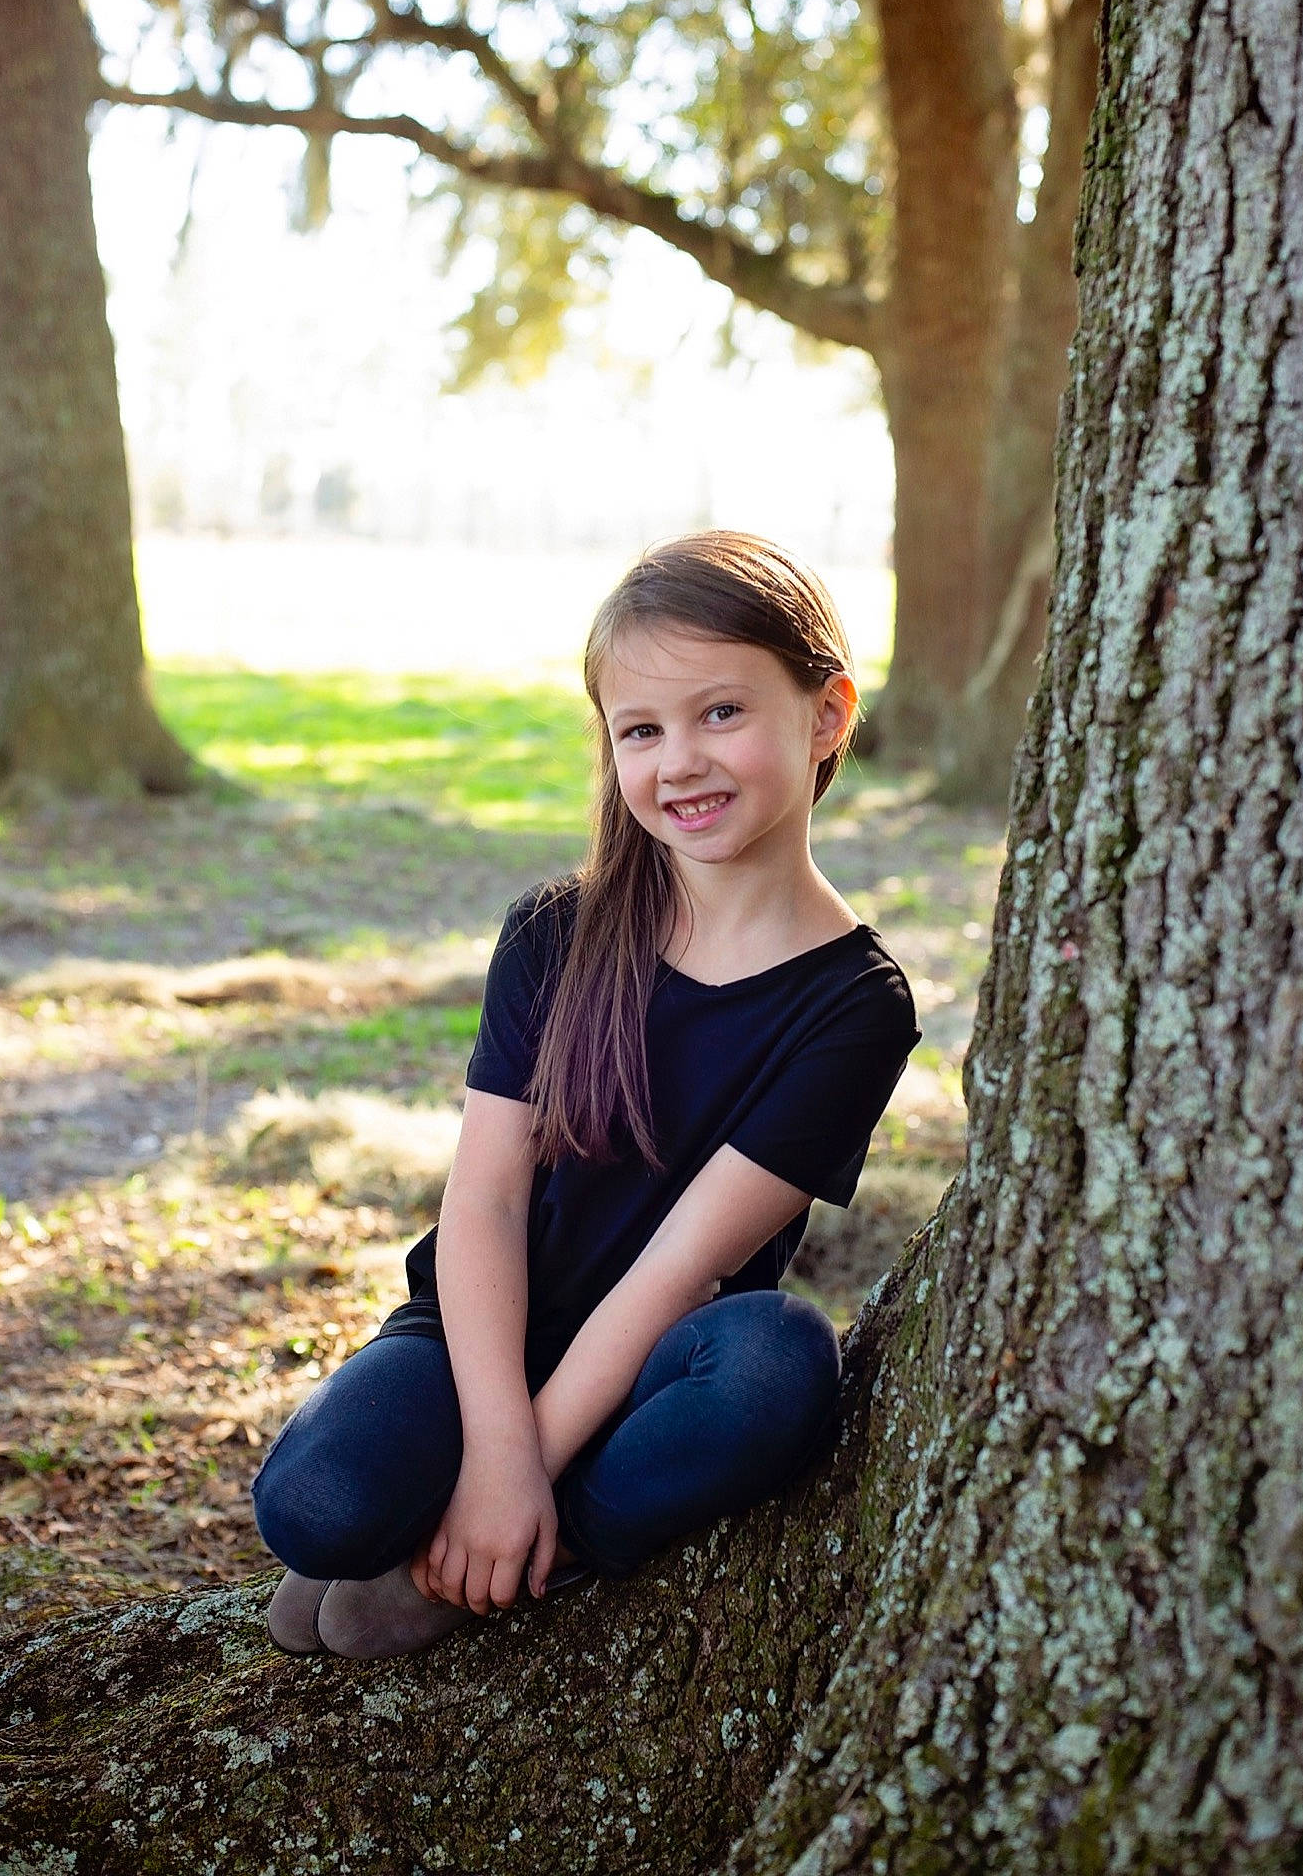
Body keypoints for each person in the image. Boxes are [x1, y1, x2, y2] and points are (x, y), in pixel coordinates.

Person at [253, 529, 921, 1659]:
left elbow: (682, 1267)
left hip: (661, 1366)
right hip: (478, 1337)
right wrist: (496, 1444)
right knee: (313, 1506)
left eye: (721, 712)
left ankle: (541, 1544)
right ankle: (443, 1515)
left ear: (826, 714)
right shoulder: (558, 930)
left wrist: (520, 1482)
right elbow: (485, 1204)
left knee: (777, 1364)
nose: (680, 762)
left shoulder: (855, 1006)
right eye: (641, 730)